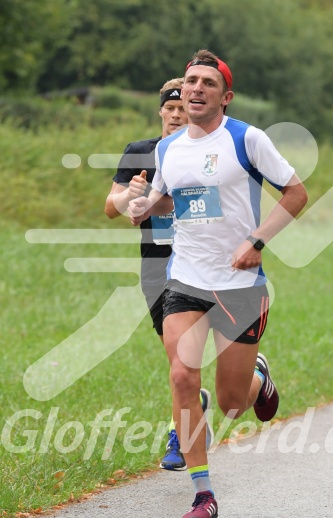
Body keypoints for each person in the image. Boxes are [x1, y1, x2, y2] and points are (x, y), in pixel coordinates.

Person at [128, 49, 308, 518]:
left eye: (208, 82)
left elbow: (297, 193)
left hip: (240, 285)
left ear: (224, 97)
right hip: (185, 280)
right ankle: (203, 493)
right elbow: (175, 200)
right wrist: (145, 207)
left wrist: (256, 240)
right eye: (191, 81)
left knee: (231, 401)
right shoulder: (169, 150)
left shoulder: (247, 139)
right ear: (181, 91)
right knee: (183, 379)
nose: (196, 88)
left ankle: (257, 379)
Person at [105, 79, 211, 471]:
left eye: (183, 108)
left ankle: (177, 435)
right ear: (161, 112)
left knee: (182, 359)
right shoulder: (140, 152)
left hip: (198, 263)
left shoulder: (206, 154)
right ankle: (192, 405)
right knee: (177, 358)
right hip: (155, 266)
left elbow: (209, 206)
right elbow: (110, 207)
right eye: (170, 108)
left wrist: (160, 203)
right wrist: (131, 196)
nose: (176, 115)